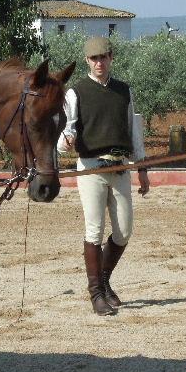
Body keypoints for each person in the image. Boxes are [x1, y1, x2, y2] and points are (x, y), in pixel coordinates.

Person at [58, 36, 150, 316]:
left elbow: (134, 131)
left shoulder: (124, 91)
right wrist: (66, 142)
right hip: (91, 168)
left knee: (124, 230)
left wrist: (142, 168)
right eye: (94, 58)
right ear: (87, 61)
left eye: (104, 57)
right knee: (94, 230)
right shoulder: (76, 93)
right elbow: (66, 132)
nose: (99, 62)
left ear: (111, 58)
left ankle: (105, 279)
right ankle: (96, 293)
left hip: (119, 167)